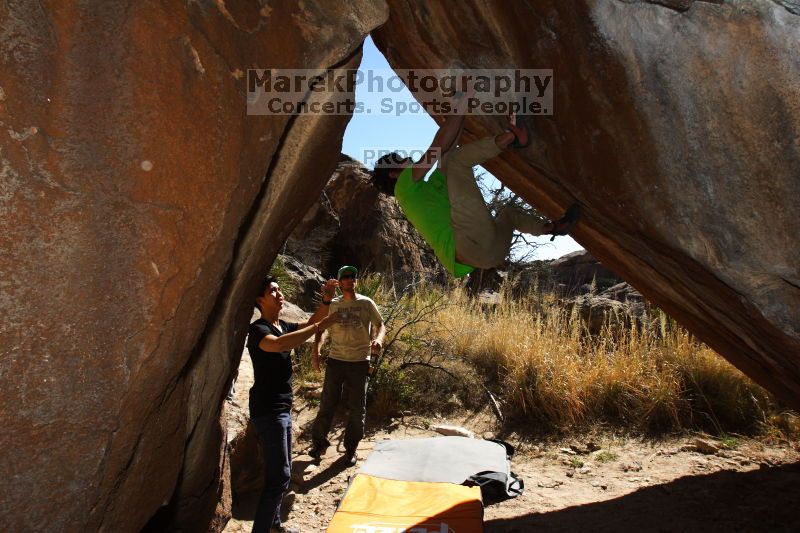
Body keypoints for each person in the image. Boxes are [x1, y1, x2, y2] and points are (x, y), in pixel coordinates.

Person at [371, 90, 579, 278]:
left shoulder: (425, 192)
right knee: (455, 161)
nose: (407, 158)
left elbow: (448, 146)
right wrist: (464, 96)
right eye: (400, 159)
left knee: (508, 214)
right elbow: (436, 147)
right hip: (470, 244)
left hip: (487, 256)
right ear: (393, 173)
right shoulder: (403, 187)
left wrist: (460, 107)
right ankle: (512, 136)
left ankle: (552, 227)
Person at [248, 275, 339, 533]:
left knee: (281, 474)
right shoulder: (259, 330)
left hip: (283, 408)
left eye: (278, 289)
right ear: (260, 300)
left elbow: (310, 322)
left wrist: (326, 300)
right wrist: (320, 325)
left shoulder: (281, 324)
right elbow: (279, 345)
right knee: (279, 477)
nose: (279, 294)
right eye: (272, 291)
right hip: (268, 411)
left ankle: (274, 524)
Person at [309, 266, 386, 466]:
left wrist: (378, 339)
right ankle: (318, 444)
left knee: (357, 408)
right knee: (327, 403)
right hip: (336, 359)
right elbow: (321, 328)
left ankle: (350, 449)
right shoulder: (332, 305)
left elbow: (381, 325)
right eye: (346, 277)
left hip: (360, 361)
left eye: (353, 277)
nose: (350, 279)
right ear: (340, 282)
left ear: (356, 281)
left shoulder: (366, 303)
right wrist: (317, 351)